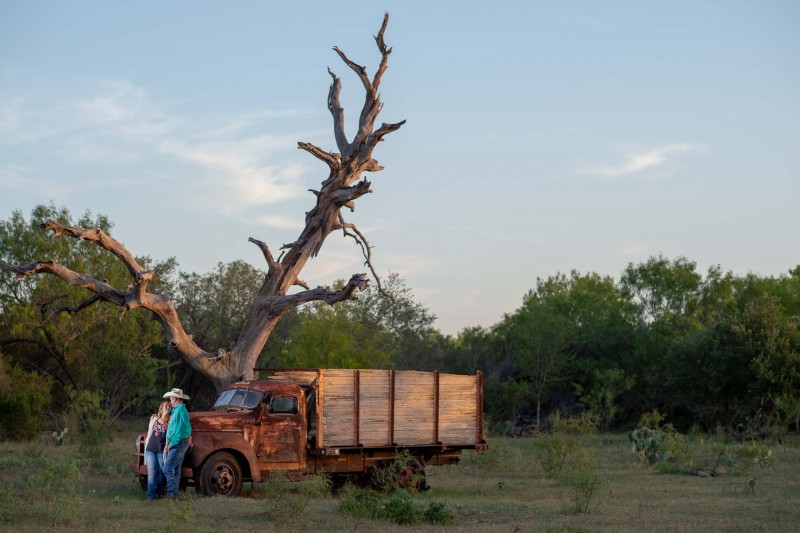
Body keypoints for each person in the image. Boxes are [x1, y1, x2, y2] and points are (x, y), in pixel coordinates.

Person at [162, 388, 192, 500]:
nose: (170, 400)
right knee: (176, 470)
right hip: (180, 442)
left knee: (167, 468)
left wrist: (172, 443)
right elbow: (186, 427)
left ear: (175, 398)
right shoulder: (179, 410)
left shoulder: (180, 411)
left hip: (178, 443)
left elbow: (179, 430)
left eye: (171, 398)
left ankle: (171, 495)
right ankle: (175, 496)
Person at [144, 401, 171, 499]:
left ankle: (159, 493)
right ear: (161, 408)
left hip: (161, 451)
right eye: (165, 406)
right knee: (151, 472)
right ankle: (151, 496)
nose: (167, 407)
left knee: (160, 472)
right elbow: (149, 431)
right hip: (150, 449)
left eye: (169, 406)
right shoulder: (154, 418)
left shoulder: (170, 421)